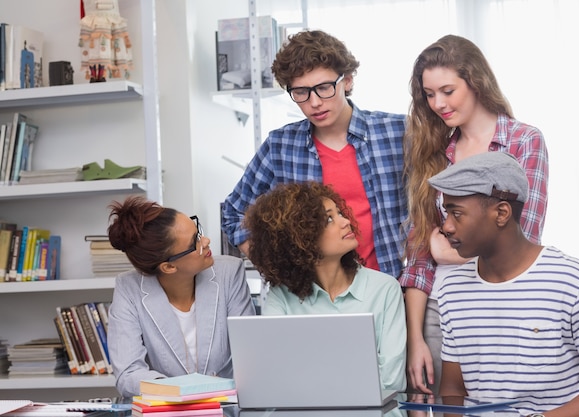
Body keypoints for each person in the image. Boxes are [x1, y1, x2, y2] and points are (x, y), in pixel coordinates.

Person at [401, 34, 549, 395]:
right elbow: (420, 259)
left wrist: (446, 251)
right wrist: (415, 338)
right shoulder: (433, 151)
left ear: (476, 82)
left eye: (448, 91)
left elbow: (522, 235)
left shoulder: (523, 141)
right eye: (429, 94)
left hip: (505, 305)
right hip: (441, 308)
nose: (438, 103)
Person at [430, 152, 579, 417]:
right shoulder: (452, 288)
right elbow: (454, 389)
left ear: (501, 213)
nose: (447, 227)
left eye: (457, 214)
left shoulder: (573, 281)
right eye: (446, 213)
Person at [221, 29, 407, 279]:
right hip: (312, 296)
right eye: (301, 92)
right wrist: (277, 267)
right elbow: (233, 212)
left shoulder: (397, 132)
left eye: (324, 87)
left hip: (388, 288)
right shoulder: (281, 145)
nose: (315, 102)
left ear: (348, 80)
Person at [243, 181, 407, 391]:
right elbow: (275, 378)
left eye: (339, 213)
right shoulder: (281, 297)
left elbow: (391, 381)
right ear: (300, 237)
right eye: (329, 219)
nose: (346, 221)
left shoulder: (385, 289)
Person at [106, 196, 256, 397]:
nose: (206, 240)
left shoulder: (230, 273)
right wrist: (184, 392)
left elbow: (249, 357)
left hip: (226, 408)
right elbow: (128, 375)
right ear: (168, 267)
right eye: (195, 242)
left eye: (198, 231)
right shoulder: (129, 289)